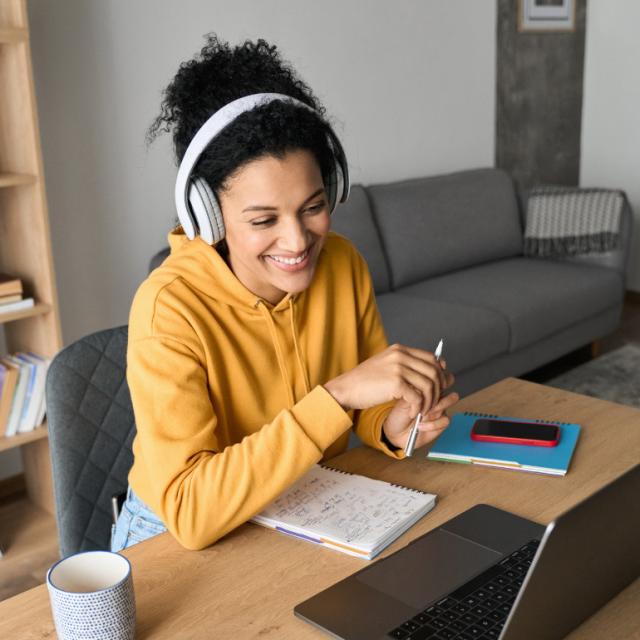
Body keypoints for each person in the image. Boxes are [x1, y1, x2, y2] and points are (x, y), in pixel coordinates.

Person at [111, 35, 458, 553]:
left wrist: (392, 422)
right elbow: (190, 510)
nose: (298, 241)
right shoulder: (169, 310)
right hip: (175, 537)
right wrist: (337, 395)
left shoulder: (342, 263)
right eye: (263, 220)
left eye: (313, 206)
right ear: (209, 218)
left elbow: (364, 407)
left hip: (303, 504)